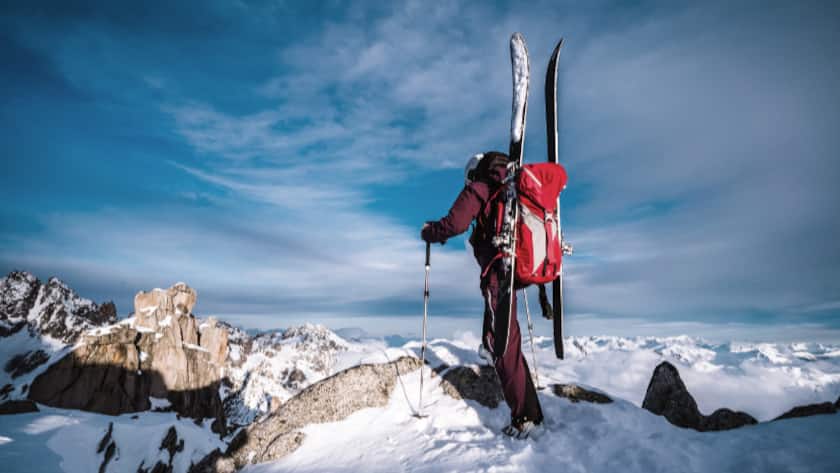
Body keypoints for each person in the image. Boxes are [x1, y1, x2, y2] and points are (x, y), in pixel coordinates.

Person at [421, 151, 544, 438]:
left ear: (474, 172)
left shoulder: (481, 187)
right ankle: (528, 410)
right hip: (511, 270)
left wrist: (431, 232)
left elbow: (456, 223)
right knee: (504, 338)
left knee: (504, 345)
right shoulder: (508, 187)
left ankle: (525, 418)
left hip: (498, 274)